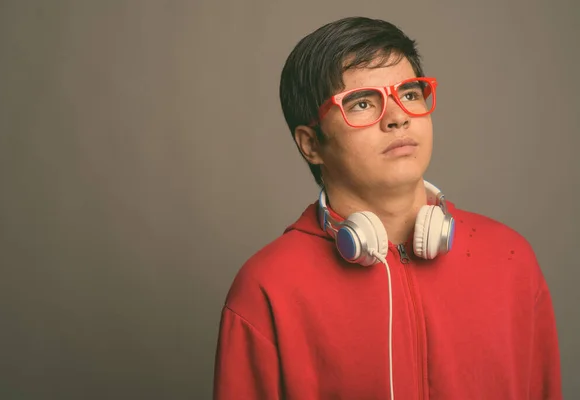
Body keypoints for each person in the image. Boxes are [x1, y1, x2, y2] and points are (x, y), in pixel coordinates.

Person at [213, 16, 562, 400]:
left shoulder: (510, 261)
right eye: (362, 103)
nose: (398, 117)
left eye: (410, 94)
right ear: (311, 144)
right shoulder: (267, 288)